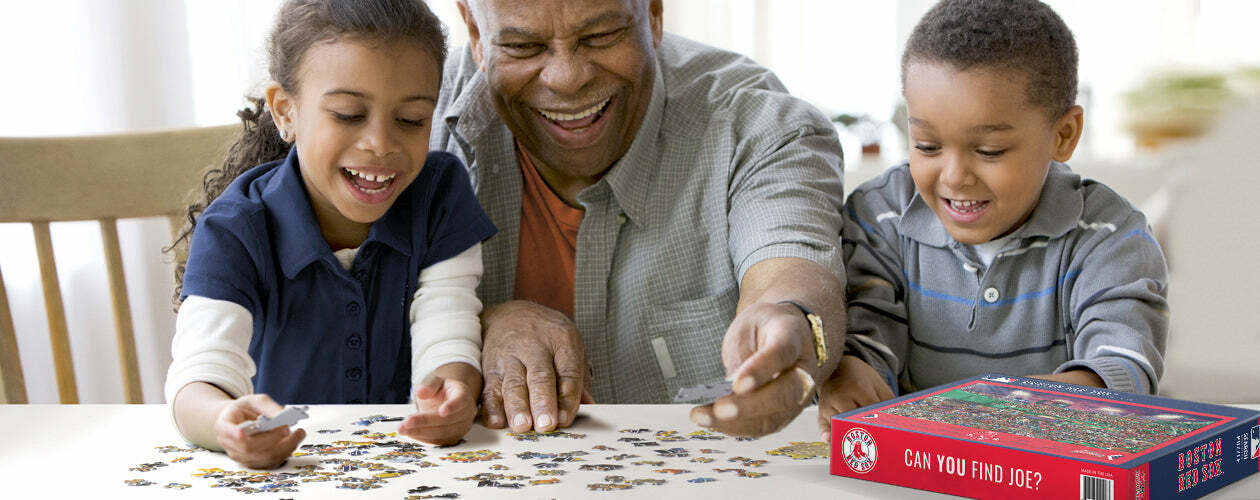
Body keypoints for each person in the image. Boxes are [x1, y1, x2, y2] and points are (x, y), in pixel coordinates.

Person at [433, 0, 847, 437]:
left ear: (653, 13)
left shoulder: (757, 125)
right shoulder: (404, 116)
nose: (567, 79)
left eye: (600, 37)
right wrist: (473, 324)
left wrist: (792, 323)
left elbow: (790, 268)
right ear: (475, 33)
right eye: (523, 45)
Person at [163, 0, 496, 468]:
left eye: (411, 120)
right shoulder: (234, 229)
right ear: (285, 111)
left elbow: (448, 325)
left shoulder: (440, 195)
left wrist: (452, 391)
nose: (380, 143)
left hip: (412, 467)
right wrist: (224, 420)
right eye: (347, 114)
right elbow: (197, 377)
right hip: (287, 473)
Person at [819, 0, 1169, 441]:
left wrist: (1027, 411)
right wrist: (850, 370)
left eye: (989, 152)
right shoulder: (880, 214)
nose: (953, 176)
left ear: (1063, 135)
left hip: (1046, 464)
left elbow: (1122, 360)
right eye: (927, 145)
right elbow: (869, 328)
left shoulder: (1109, 235)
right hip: (914, 465)